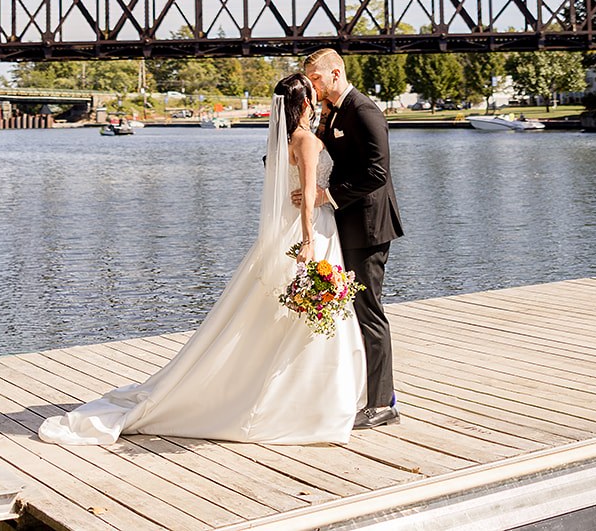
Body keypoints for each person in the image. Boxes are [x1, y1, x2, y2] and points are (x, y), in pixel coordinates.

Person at [38, 73, 365, 445]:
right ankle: (307, 405)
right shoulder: (305, 141)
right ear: (305, 103)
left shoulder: (284, 140)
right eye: (313, 94)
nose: (319, 97)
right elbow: (307, 195)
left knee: (292, 316)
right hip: (311, 231)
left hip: (302, 231)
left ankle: (305, 399)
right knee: (306, 315)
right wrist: (308, 240)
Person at [299, 49, 404, 430]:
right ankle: (371, 392)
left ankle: (382, 404)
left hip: (369, 227)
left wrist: (328, 196)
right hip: (347, 225)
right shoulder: (334, 111)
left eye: (315, 78)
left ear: (335, 73)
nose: (312, 85)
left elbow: (378, 172)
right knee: (355, 311)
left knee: (369, 312)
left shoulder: (363, 110)